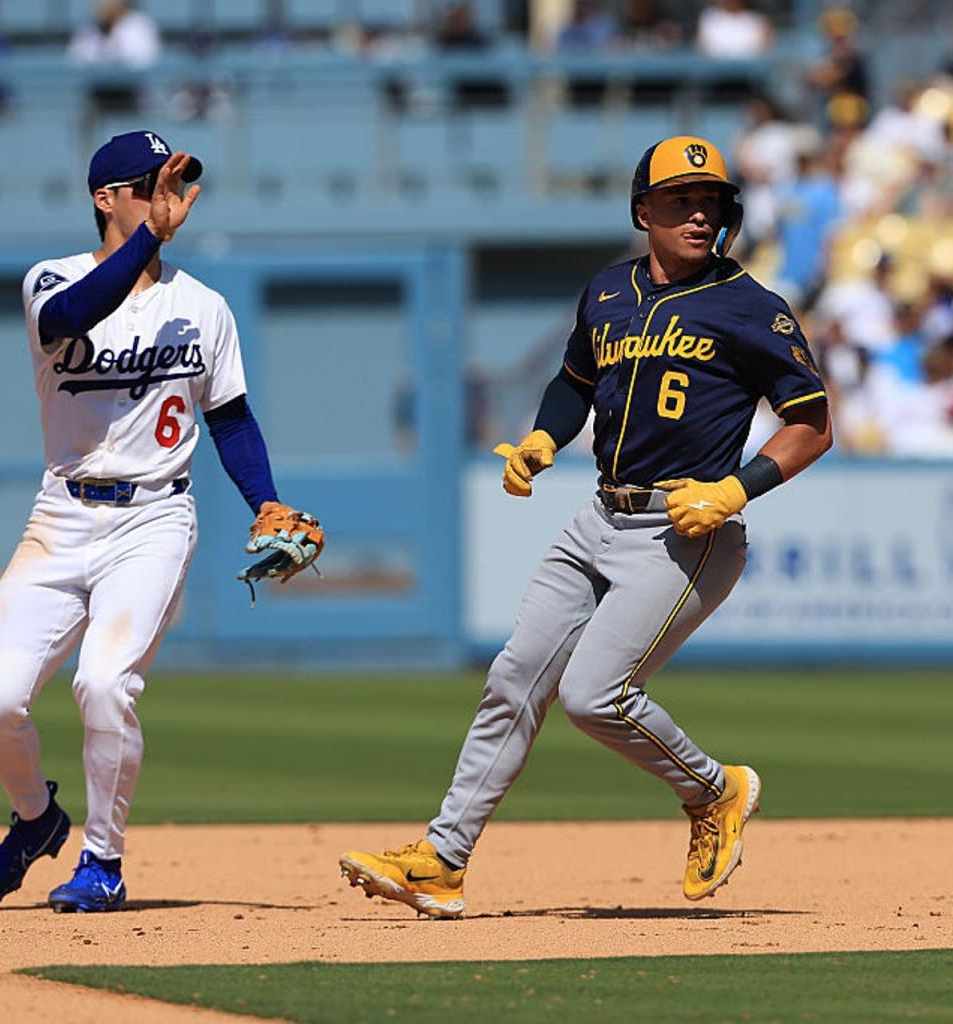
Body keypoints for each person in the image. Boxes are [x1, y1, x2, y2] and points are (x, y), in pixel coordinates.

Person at [339, 136, 832, 919]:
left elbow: (810, 423)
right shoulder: (607, 291)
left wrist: (737, 490)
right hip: (599, 513)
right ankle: (443, 858)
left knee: (595, 695)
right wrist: (542, 437)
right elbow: (574, 382)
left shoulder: (752, 308)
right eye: (680, 201)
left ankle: (715, 790)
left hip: (685, 528)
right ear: (644, 211)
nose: (700, 213)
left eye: (711, 201)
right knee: (513, 678)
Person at [0, 130, 322, 913]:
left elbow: (229, 418)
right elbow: (74, 315)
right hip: (60, 516)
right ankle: (36, 820)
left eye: (178, 182)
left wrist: (263, 497)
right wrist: (150, 241)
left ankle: (102, 860)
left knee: (104, 683)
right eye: (149, 185)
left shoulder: (202, 306)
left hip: (154, 521)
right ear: (105, 199)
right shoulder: (51, 279)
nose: (168, 197)